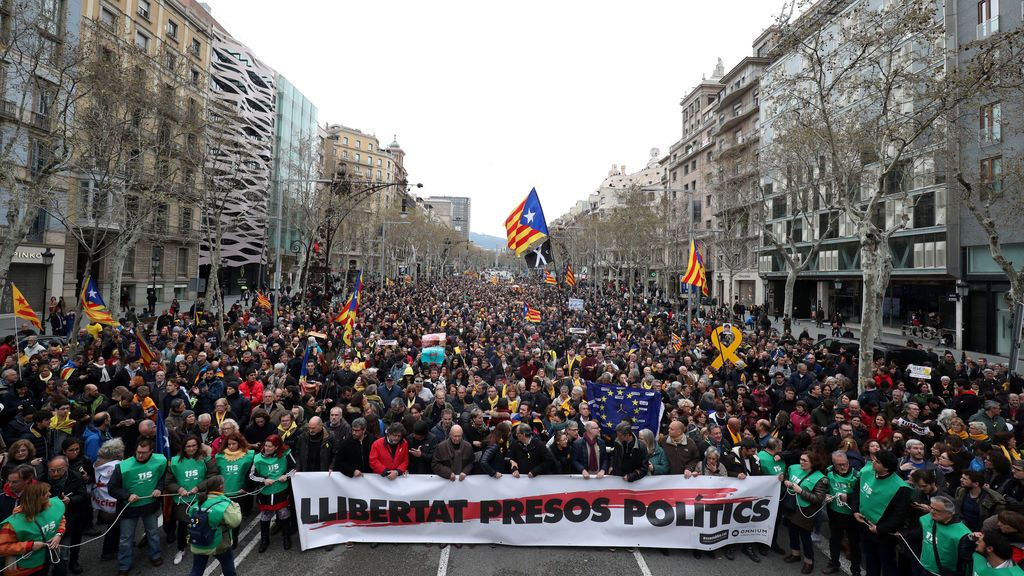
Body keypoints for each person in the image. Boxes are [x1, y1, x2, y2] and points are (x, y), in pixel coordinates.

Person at [107, 437, 168, 576]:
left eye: (144, 453)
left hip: (150, 505)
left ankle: (155, 555)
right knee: (126, 539)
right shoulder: (123, 466)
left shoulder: (161, 460)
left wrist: (159, 487)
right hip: (129, 508)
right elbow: (111, 488)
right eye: (138, 452)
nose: (140, 455)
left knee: (153, 533)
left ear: (151, 451)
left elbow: (163, 477)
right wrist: (126, 495)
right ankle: (124, 565)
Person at [853, 450, 912, 576]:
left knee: (887, 563)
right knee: (870, 559)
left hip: (883, 534)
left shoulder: (901, 488)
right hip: (865, 526)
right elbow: (857, 491)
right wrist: (855, 510)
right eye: (874, 459)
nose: (873, 462)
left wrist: (880, 529)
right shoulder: (867, 472)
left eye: (877, 462)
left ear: (887, 468)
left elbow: (899, 516)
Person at [166, 435, 217, 565]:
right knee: (183, 524)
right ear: (184, 447)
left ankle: (204, 544)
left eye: (194, 445)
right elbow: (168, 482)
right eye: (188, 446)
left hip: (200, 497)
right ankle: (181, 548)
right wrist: (179, 489)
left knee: (203, 520)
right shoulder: (175, 461)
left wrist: (199, 487)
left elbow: (212, 475)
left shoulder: (205, 459)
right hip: (182, 500)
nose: (191, 448)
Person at [0, 482, 65, 576]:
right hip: (23, 570)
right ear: (36, 499)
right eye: (46, 495)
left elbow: (61, 519)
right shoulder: (13, 524)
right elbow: (2, 547)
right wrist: (29, 546)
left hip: (45, 561)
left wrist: (59, 534)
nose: (50, 495)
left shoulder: (52, 506)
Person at [185, 475, 242, 576]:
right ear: (221, 487)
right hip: (218, 544)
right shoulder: (224, 503)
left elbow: (190, 515)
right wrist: (236, 506)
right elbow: (235, 522)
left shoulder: (198, 503)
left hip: (198, 542)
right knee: (228, 568)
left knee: (196, 570)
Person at [782, 450, 828, 574]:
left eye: (805, 460)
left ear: (813, 463)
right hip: (792, 505)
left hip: (806, 510)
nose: (801, 462)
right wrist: (785, 480)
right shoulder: (794, 468)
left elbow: (819, 499)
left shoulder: (820, 478)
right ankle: (795, 553)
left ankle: (809, 561)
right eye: (801, 459)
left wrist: (801, 491)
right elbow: (787, 475)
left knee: (805, 536)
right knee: (792, 531)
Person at [249, 434, 294, 553]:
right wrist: (263, 480)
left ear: (276, 447)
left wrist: (286, 476)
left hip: (281, 490)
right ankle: (265, 539)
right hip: (265, 493)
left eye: (270, 446)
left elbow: (294, 468)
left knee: (283, 514)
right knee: (265, 516)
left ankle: (286, 537)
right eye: (265, 446)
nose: (266, 448)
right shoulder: (257, 458)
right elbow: (251, 475)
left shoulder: (285, 454)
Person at [824, 450, 862, 576]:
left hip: (851, 515)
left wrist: (849, 497)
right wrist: (825, 495)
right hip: (834, 513)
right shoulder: (829, 471)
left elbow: (862, 495)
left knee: (854, 543)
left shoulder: (857, 474)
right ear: (833, 463)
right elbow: (824, 486)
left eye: (844, 463)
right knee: (834, 539)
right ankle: (834, 563)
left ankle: (855, 569)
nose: (842, 467)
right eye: (838, 464)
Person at [918, 494, 974, 576]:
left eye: (937, 510)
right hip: (924, 567)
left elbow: (966, 561)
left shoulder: (963, 534)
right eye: (931, 508)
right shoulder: (926, 519)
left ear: (950, 513)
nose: (932, 512)